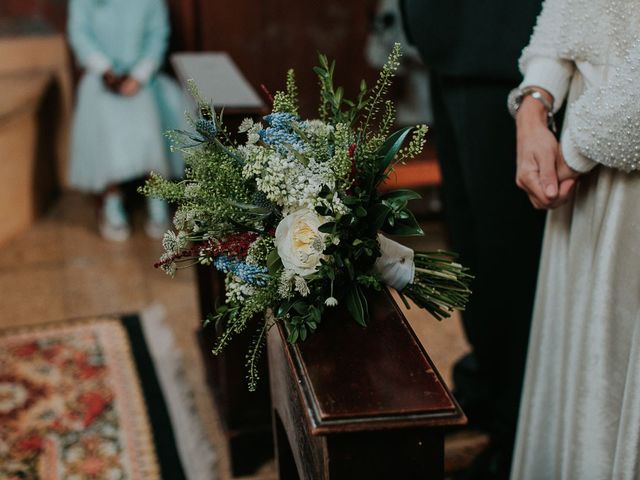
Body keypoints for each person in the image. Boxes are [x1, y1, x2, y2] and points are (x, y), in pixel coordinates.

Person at [400, 1, 544, 477]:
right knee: (470, 242)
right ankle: (488, 380)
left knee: (509, 258)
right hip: (453, 41)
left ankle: (516, 428)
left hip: (504, 43)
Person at [509, 0, 640, 478]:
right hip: (581, 156)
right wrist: (534, 104)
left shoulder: (584, 142)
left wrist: (577, 144)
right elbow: (567, 10)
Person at [68, 0, 185, 241]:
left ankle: (156, 193)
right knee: (105, 121)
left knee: (149, 122)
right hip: (102, 78)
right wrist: (105, 70)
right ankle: (112, 198)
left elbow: (157, 34)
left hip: (141, 78)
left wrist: (139, 75)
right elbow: (79, 32)